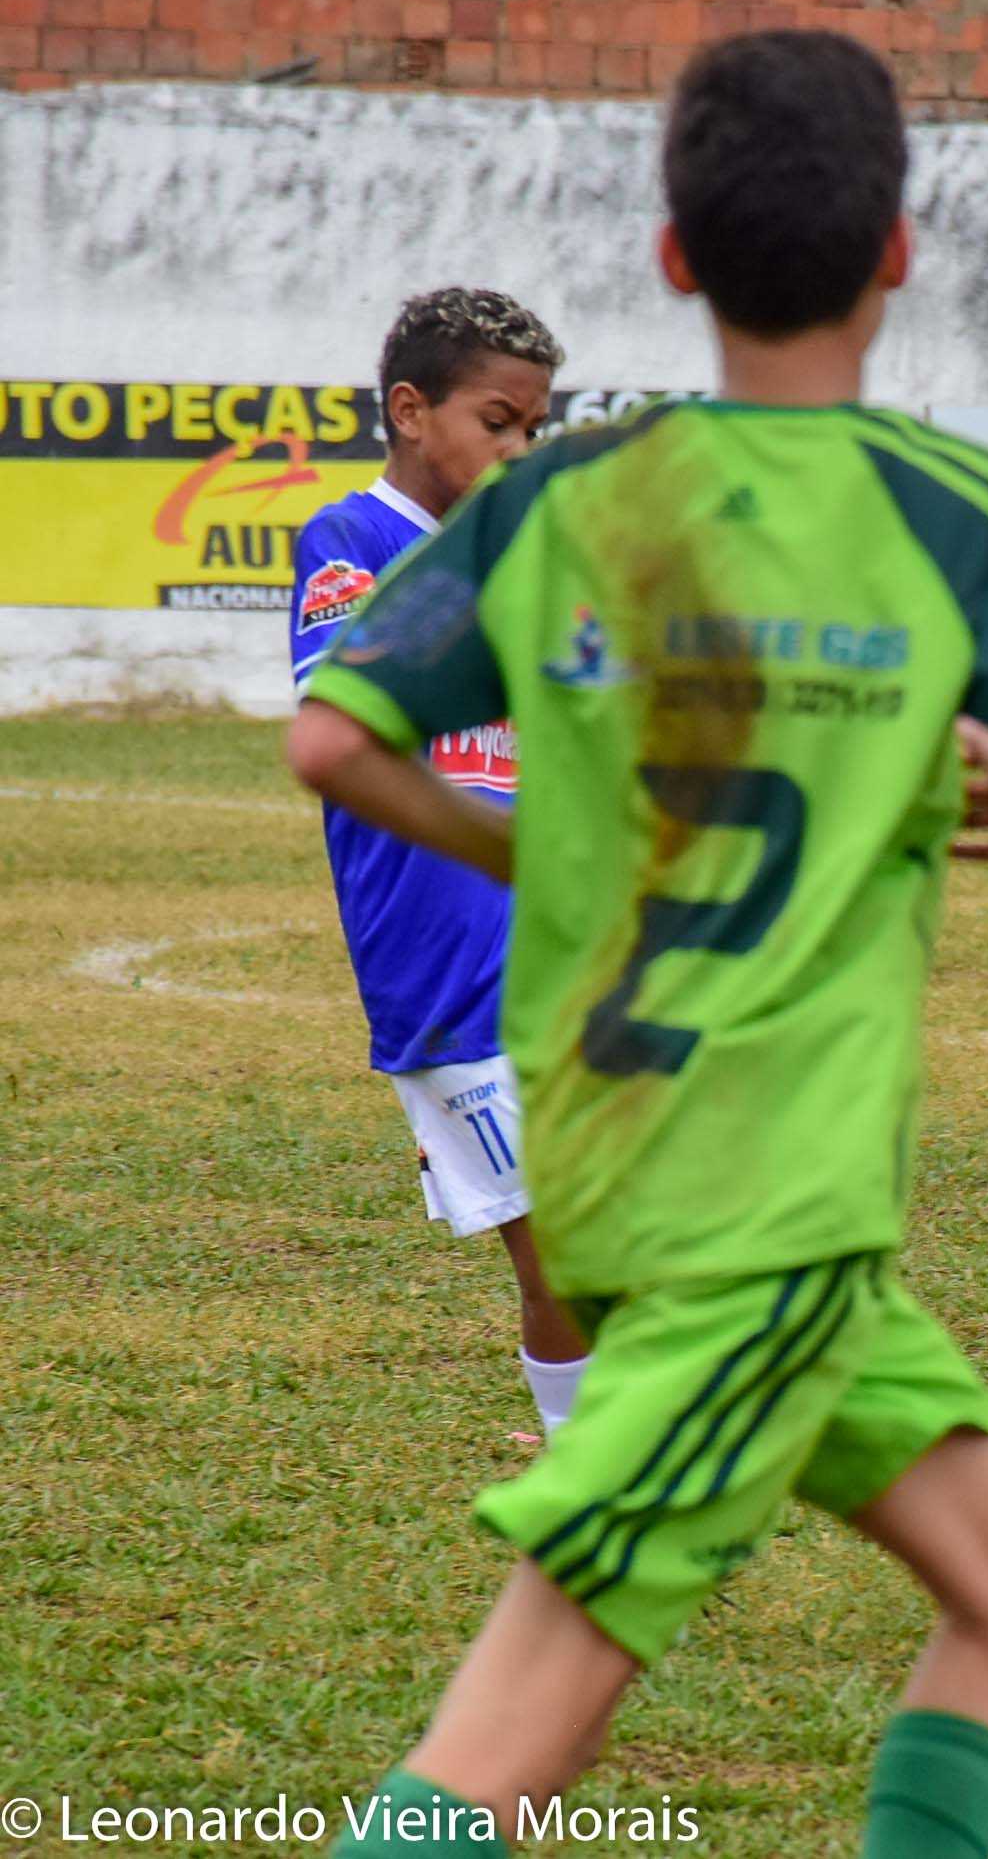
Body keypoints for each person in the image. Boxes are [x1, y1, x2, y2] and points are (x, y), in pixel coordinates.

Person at [287, 32, 988, 1858]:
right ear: (902, 253)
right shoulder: (953, 513)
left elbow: (332, 737)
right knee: (504, 1745)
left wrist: (530, 843)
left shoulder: (560, 499)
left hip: (672, 1160)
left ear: (674, 258)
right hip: (751, 1196)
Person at [289, 287, 590, 1433]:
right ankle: (592, 1498)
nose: (519, 450)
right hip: (446, 965)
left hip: (560, 950)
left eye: (534, 430)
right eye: (498, 422)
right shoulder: (352, 544)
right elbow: (346, 732)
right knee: (556, 1245)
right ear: (410, 411)